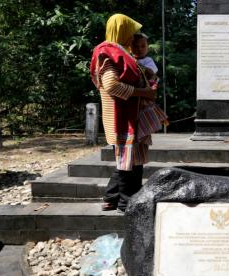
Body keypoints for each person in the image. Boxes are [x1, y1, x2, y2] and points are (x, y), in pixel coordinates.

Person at [90, 14, 156, 212]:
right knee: (130, 163)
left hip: (127, 115)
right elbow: (111, 85)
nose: (133, 36)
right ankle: (127, 203)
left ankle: (112, 197)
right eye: (130, 31)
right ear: (122, 30)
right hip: (121, 118)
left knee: (128, 160)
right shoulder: (108, 53)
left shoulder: (118, 51)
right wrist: (142, 92)